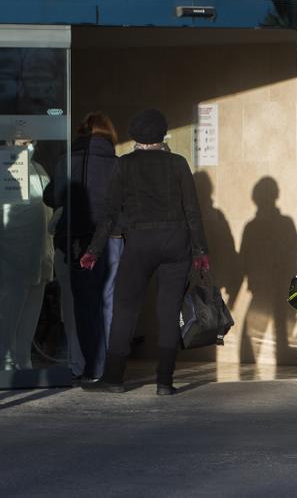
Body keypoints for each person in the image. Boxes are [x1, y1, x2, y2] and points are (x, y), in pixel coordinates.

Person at [80, 109, 210, 395]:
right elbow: (193, 211)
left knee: (125, 309)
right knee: (168, 312)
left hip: (140, 241)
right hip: (177, 242)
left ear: (135, 135)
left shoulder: (125, 165)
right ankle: (164, 381)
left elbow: (110, 213)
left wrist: (94, 250)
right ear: (162, 134)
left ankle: (114, 377)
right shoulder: (178, 163)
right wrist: (201, 252)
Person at [43, 112, 121, 383]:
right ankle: (112, 366)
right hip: (112, 239)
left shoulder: (68, 161)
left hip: (77, 240)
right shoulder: (117, 164)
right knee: (109, 302)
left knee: (84, 305)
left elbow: (51, 197)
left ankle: (92, 367)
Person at [0, 136, 53, 371]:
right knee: (3, 311)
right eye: (22, 142)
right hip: (5, 255)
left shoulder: (37, 170)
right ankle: (1, 362)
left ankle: (23, 360)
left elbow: (48, 210)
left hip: (37, 254)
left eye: (31, 142)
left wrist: (49, 250)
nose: (28, 148)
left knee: (29, 312)